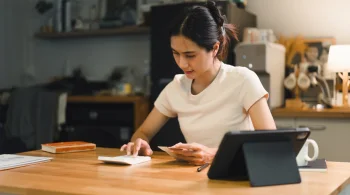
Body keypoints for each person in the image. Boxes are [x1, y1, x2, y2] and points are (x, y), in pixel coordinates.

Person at [121, 1, 276, 165]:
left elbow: (270, 144)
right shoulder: (176, 88)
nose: (182, 63)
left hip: (239, 178)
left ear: (215, 48)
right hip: (195, 179)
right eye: (176, 53)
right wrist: (140, 143)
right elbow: (143, 132)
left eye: (190, 55)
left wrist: (213, 155)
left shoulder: (243, 80)